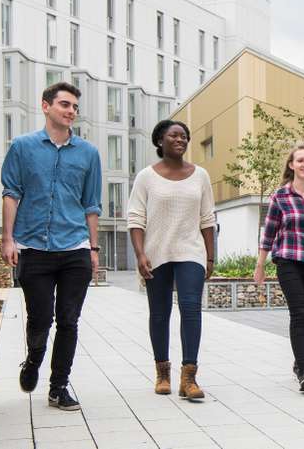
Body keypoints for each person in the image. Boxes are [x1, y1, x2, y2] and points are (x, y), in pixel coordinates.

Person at [0, 82, 101, 411]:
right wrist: (7, 238)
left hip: (75, 247)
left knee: (69, 320)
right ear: (46, 107)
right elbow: (11, 193)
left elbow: (91, 205)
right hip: (34, 247)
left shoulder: (89, 153)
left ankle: (58, 387)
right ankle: (33, 360)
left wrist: (94, 249)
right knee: (40, 319)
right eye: (65, 104)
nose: (71, 110)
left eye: (74, 106)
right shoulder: (22, 147)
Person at [127, 120, 216, 400]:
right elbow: (135, 218)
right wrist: (140, 254)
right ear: (159, 141)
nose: (181, 139)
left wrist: (210, 256)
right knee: (160, 312)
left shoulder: (200, 175)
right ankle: (162, 372)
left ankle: (189, 377)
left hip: (191, 250)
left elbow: (207, 218)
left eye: (184, 136)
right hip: (156, 252)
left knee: (191, 309)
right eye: (174, 135)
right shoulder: (146, 177)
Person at [254, 143, 304, 392]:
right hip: (288, 260)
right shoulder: (280, 196)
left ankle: (299, 363)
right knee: (299, 314)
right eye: (300, 160)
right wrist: (260, 264)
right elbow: (269, 233)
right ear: (292, 165)